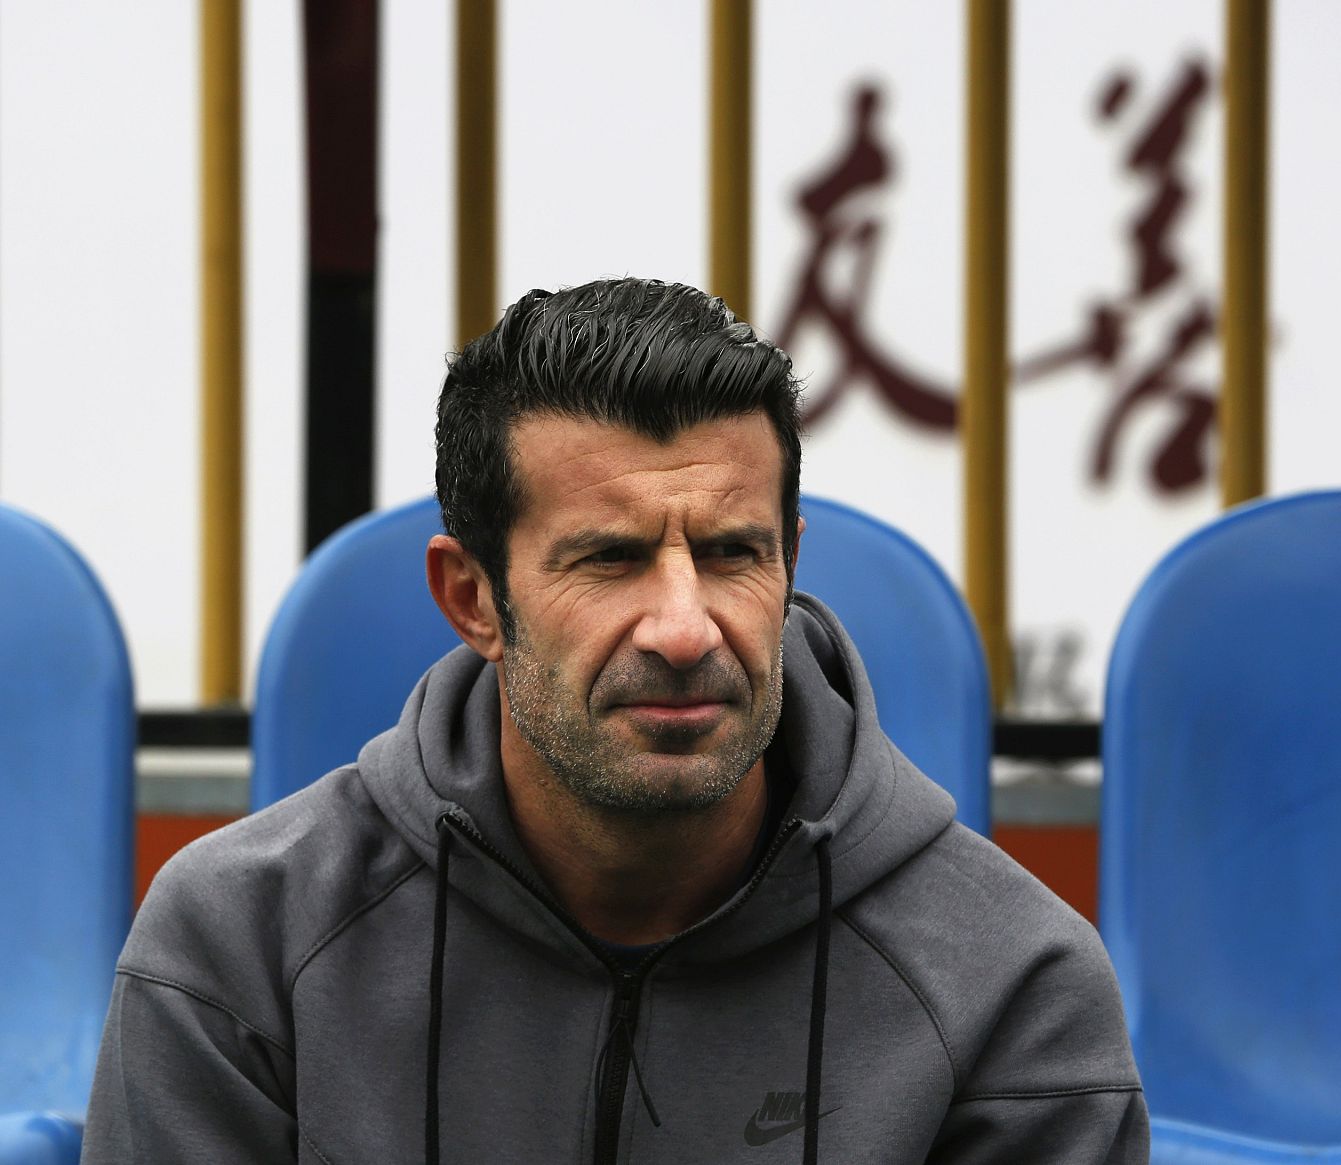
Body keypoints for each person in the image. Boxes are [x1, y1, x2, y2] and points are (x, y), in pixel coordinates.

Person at [83, 278, 1147, 1162]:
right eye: (608, 558)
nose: (685, 628)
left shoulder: (1011, 981)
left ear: (788, 566)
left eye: (733, 552)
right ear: (472, 598)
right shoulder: (240, 944)